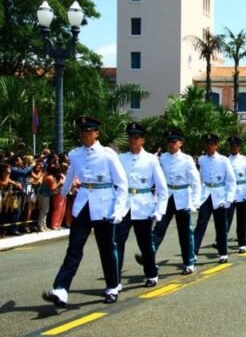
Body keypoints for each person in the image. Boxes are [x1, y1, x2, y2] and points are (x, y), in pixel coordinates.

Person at [42, 116, 128, 307]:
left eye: (88, 132)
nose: (84, 135)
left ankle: (112, 286)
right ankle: (61, 289)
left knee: (106, 248)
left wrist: (119, 210)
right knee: (74, 248)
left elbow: (122, 184)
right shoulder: (75, 154)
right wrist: (61, 193)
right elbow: (72, 174)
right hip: (83, 205)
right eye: (82, 132)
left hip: (104, 204)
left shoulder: (108, 154)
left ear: (97, 133)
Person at [117, 122, 168, 288]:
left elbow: (162, 188)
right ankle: (114, 279)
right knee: (118, 242)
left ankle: (151, 273)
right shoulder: (120, 158)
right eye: (131, 137)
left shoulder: (151, 159)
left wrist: (160, 210)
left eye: (137, 137)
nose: (133, 140)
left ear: (143, 140)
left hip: (143, 205)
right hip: (125, 205)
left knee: (145, 243)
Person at [150, 127, 201, 275]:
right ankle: (149, 255)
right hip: (167, 196)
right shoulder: (162, 158)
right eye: (169, 142)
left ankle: (189, 262)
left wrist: (194, 202)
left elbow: (196, 182)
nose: (171, 144)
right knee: (159, 228)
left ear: (180, 143)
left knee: (185, 232)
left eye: (174, 141)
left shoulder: (187, 159)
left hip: (183, 196)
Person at [194, 133, 236, 263]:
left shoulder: (224, 160)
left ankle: (223, 252)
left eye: (211, 144)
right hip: (206, 194)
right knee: (201, 223)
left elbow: (231, 181)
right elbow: (200, 178)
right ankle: (193, 252)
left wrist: (229, 198)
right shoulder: (201, 160)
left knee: (221, 225)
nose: (209, 146)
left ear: (216, 145)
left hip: (219, 195)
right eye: (207, 144)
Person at [227, 136, 246, 253]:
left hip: (243, 194)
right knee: (226, 220)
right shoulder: (226, 160)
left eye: (235, 146)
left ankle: (242, 243)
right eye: (231, 146)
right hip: (230, 195)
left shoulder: (245, 161)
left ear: (239, 147)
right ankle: (222, 242)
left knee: (242, 221)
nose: (233, 148)